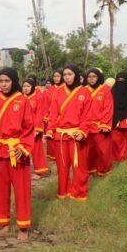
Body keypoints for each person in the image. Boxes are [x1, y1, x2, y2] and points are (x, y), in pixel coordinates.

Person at [0, 68, 34, 240]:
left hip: (16, 152)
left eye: (7, 81)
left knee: (21, 191)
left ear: (14, 81)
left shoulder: (22, 101)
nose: (3, 84)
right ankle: (3, 224)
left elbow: (29, 127)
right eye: (1, 81)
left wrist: (23, 147)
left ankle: (23, 228)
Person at [46, 65, 92, 201]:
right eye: (65, 74)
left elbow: (87, 115)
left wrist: (83, 131)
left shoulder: (85, 91)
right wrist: (50, 130)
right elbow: (53, 113)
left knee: (80, 167)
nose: (67, 77)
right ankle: (63, 191)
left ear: (76, 75)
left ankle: (79, 193)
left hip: (77, 135)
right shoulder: (58, 92)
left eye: (70, 74)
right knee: (62, 166)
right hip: (60, 136)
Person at [86, 69, 113, 176]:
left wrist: (105, 124)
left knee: (103, 150)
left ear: (99, 77)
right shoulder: (84, 90)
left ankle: (104, 170)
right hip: (87, 126)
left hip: (100, 125)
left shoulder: (105, 89)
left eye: (94, 77)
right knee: (89, 150)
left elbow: (108, 108)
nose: (91, 79)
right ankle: (91, 169)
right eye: (89, 77)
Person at [21, 78, 49, 179]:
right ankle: (24, 171)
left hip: (34, 130)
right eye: (24, 86)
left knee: (37, 151)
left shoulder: (37, 98)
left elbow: (39, 114)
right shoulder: (20, 98)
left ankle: (39, 171)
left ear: (32, 87)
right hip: (23, 130)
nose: (26, 88)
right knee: (22, 150)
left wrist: (37, 129)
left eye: (28, 86)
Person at [43, 69, 64, 160]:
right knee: (51, 136)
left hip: (62, 116)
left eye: (58, 76)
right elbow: (46, 103)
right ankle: (53, 155)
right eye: (54, 76)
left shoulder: (65, 87)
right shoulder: (51, 89)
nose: (56, 78)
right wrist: (46, 115)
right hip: (52, 115)